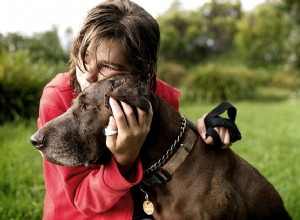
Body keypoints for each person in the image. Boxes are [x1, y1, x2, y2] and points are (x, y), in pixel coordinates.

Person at [37, 0, 233, 219]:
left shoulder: (160, 98)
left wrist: (200, 134)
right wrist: (124, 159)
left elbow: (170, 159)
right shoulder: (58, 97)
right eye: (85, 57)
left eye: (107, 66)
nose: (88, 75)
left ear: (141, 70)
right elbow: (83, 197)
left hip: (145, 209)